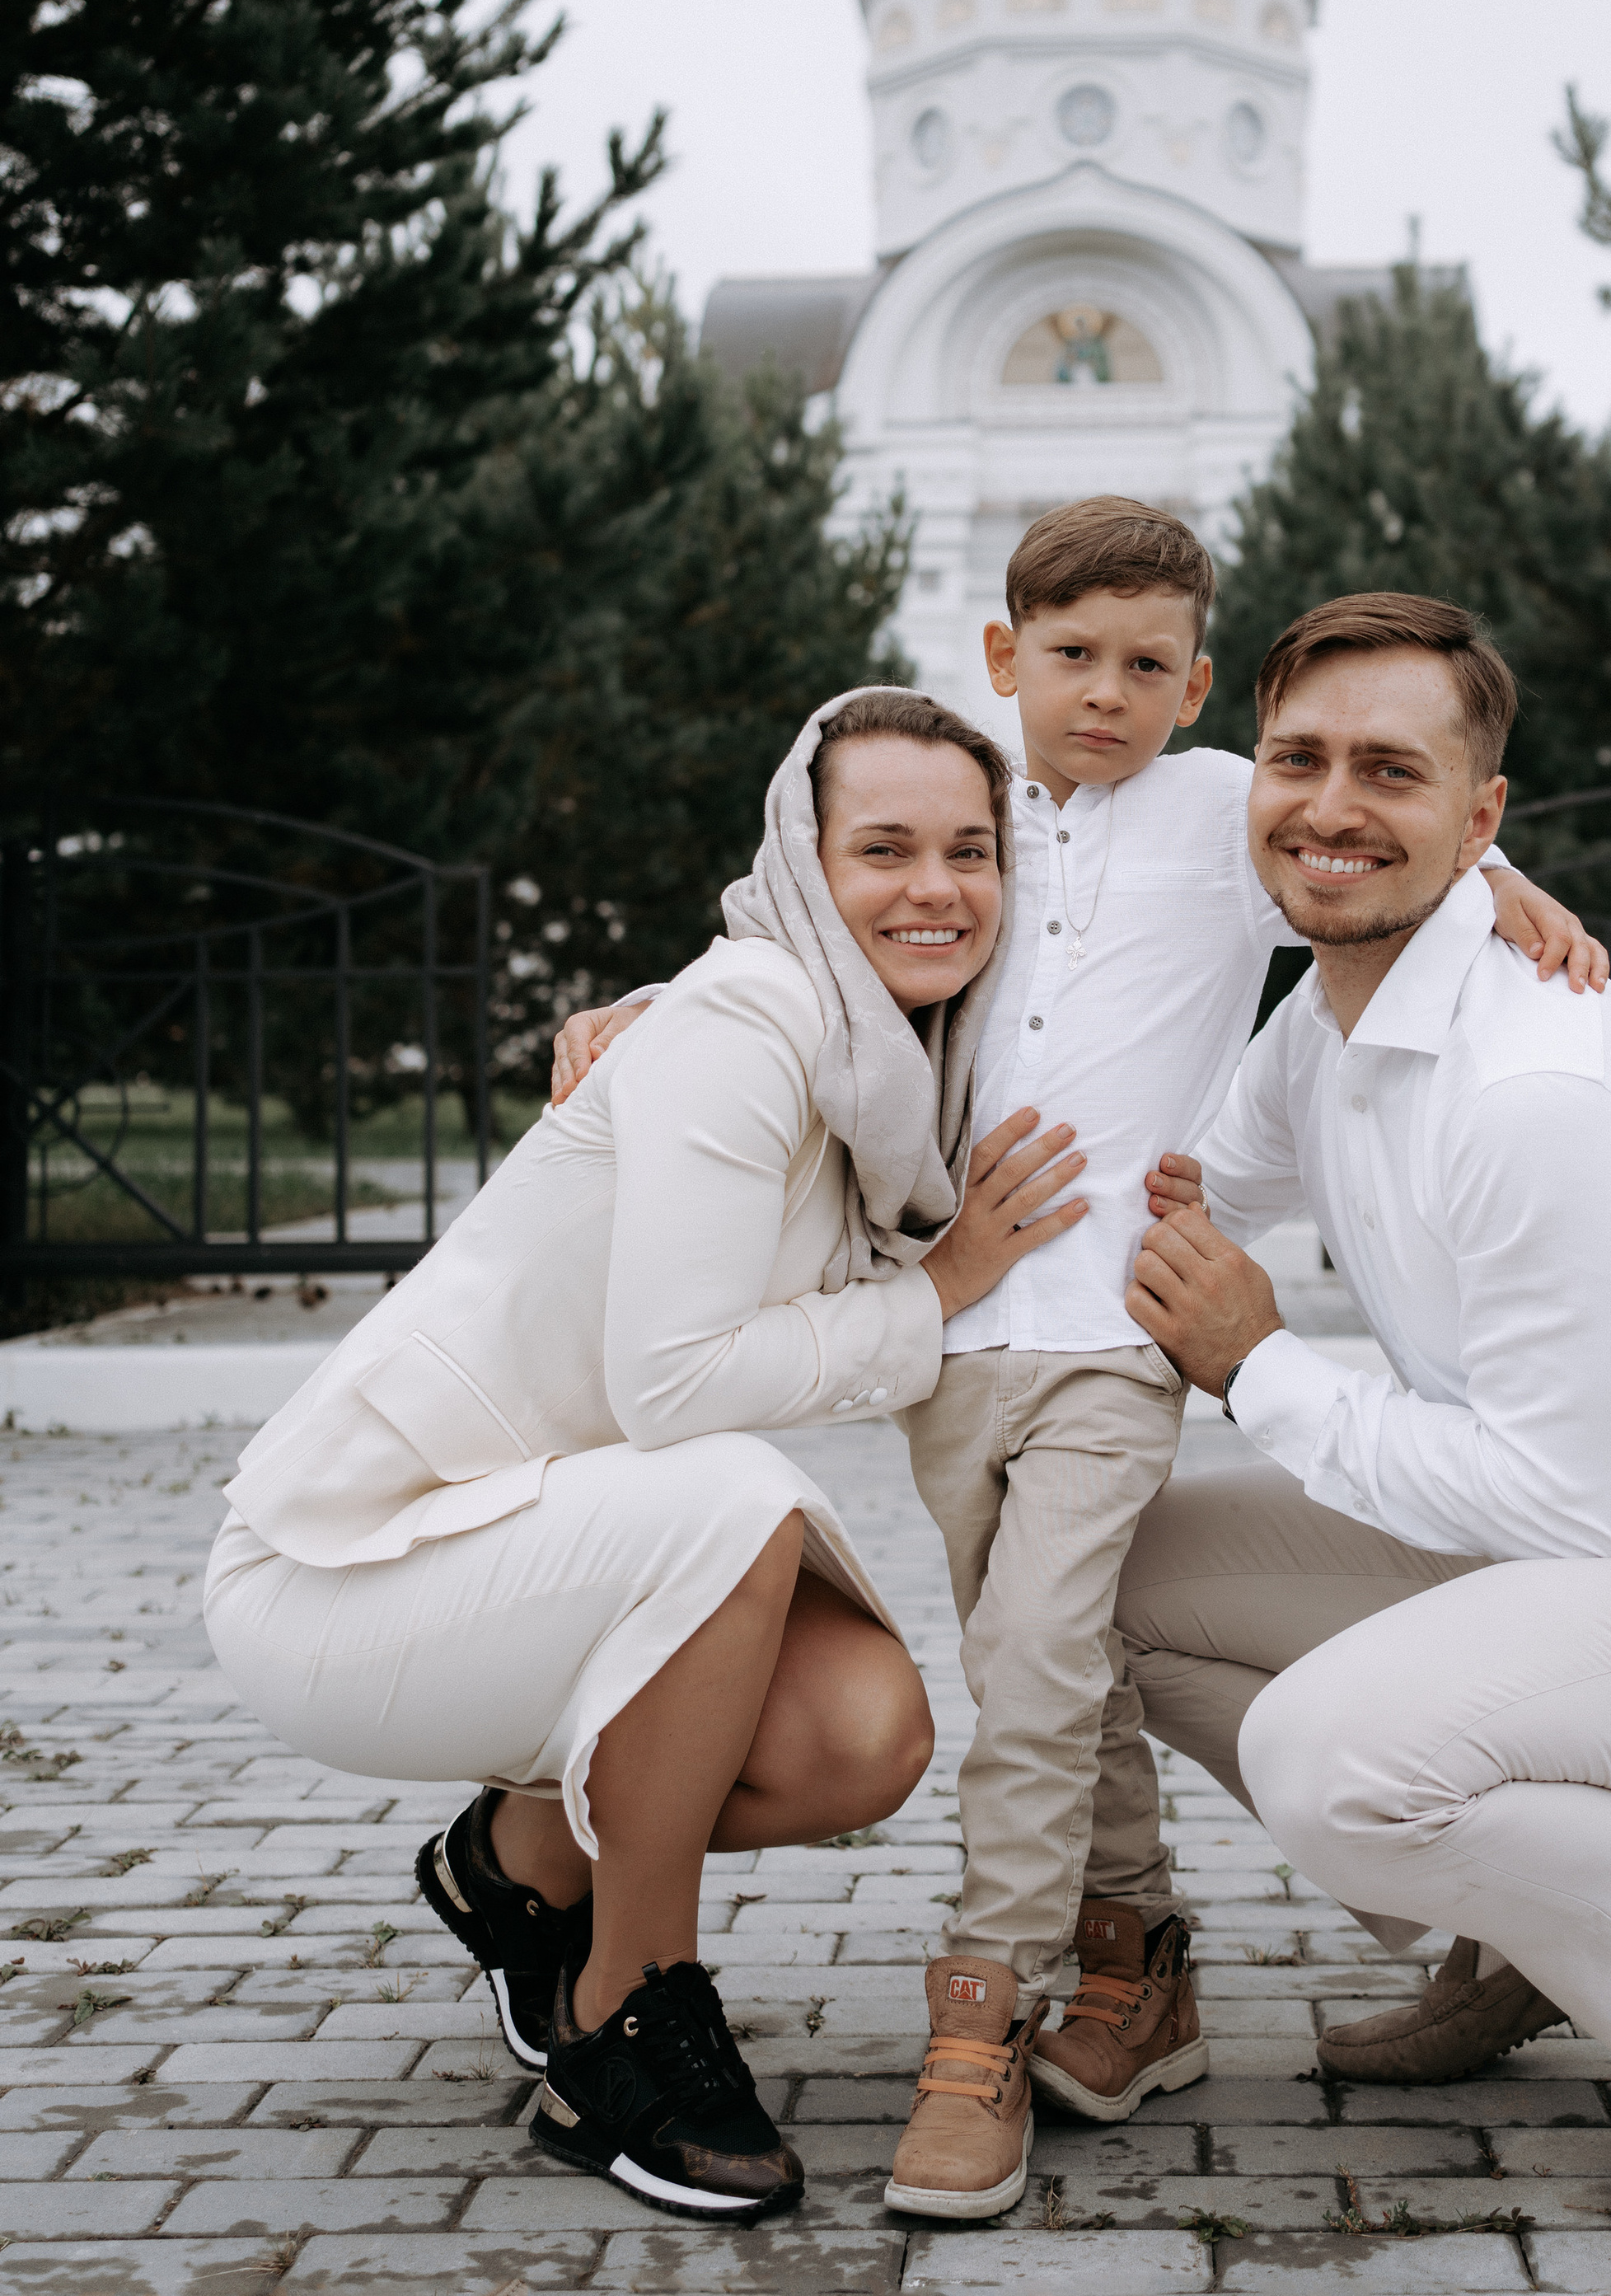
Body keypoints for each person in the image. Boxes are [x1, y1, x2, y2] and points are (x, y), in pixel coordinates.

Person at [552, 499, 1608, 2223]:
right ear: (999, 659)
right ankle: (1140, 1958)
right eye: (1067, 658)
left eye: (1142, 664)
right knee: (1052, 1658)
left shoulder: (1217, 812)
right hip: (950, 1330)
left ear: (1194, 684)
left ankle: (982, 2014)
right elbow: (816, 925)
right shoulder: (965, 796)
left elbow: (1367, 848)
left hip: (1119, 1329)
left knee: (1035, 1663)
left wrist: (1505, 883)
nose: (1103, 693)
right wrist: (658, 1001)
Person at [201, 690, 1090, 2233]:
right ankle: (627, 2005)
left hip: (549, 1556)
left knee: (864, 1732)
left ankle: (518, 1863)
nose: (935, 886)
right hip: (349, 1569)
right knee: (731, 1498)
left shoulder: (895, 1072)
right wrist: (931, 1300)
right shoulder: (748, 1022)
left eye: (970, 848)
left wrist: (1490, 881)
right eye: (881, 848)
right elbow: (673, 1387)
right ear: (805, 867)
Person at [1111, 591, 1611, 2242]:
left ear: (1478, 818)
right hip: (1566, 1555)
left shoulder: (1533, 1087)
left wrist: (1259, 1360)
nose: (1329, 806)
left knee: (1325, 1752)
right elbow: (1172, 1183)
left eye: (1390, 772)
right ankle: (1525, 1936)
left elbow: (1549, 1501)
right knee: (1107, 1586)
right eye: (1297, 758)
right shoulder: (1330, 1021)